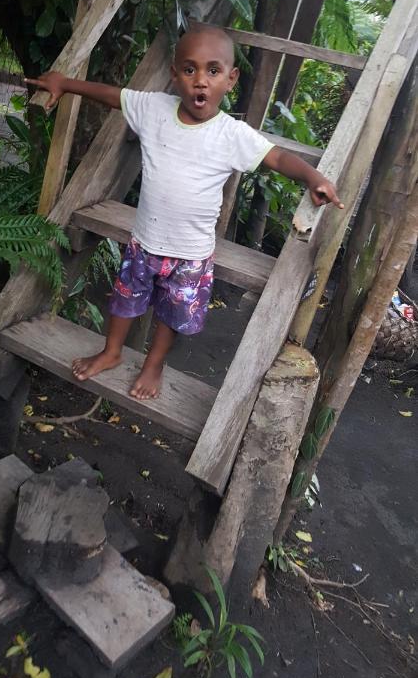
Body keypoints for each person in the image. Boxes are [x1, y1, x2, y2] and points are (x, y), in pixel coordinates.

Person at [26, 26, 343, 401]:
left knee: (171, 316)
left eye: (213, 71)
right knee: (125, 299)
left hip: (191, 254)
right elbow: (112, 96)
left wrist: (311, 176)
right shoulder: (153, 109)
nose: (201, 82)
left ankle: (154, 363)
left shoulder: (232, 134)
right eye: (189, 70)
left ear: (230, 79)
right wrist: (65, 83)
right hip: (145, 242)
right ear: (174, 74)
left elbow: (276, 156)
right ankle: (111, 352)